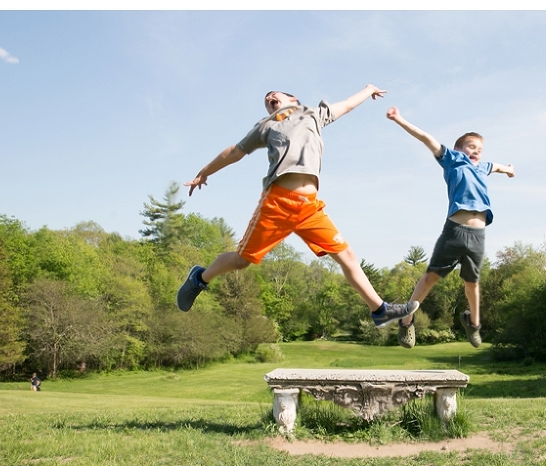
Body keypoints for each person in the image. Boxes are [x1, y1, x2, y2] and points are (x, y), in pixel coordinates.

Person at [176, 85, 419, 327]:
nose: (269, 97)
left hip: (310, 208)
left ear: (293, 98)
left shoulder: (313, 115)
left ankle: (379, 310)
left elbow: (346, 105)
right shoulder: (266, 125)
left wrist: (368, 90)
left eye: (274, 94)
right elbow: (234, 152)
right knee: (242, 260)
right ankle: (200, 278)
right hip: (278, 203)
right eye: (266, 98)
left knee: (346, 256)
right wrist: (204, 173)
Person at [386, 106, 515, 348]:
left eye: (479, 149)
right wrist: (399, 119)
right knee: (430, 278)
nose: (476, 151)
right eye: (471, 147)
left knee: (472, 285)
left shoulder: (482, 166)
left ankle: (474, 325)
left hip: (478, 235)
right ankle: (406, 321)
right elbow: (426, 138)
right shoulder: (452, 160)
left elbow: (495, 166)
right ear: (459, 149)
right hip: (455, 231)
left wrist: (508, 169)